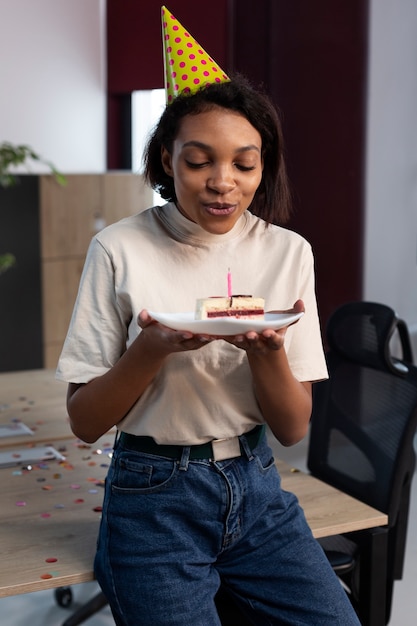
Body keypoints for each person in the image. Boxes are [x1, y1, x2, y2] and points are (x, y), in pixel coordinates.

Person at [56, 7, 361, 625]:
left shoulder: (286, 252)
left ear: (263, 166)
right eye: (199, 161)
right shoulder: (118, 247)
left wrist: (269, 352)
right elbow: (85, 423)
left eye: (244, 164)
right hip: (151, 497)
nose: (223, 183)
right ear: (167, 159)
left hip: (257, 488)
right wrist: (150, 350)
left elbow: (294, 429)